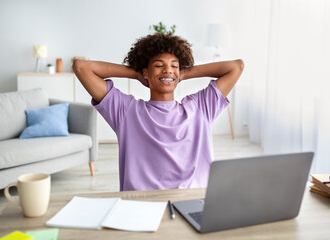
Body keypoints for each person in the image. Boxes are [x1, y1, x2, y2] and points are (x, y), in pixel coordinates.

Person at [73, 33, 244, 191]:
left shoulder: (200, 107)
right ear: (146, 72)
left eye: (174, 66)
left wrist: (182, 74)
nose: (167, 70)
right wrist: (136, 74)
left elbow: (236, 66)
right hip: (142, 203)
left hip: (192, 198)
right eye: (158, 65)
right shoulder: (126, 111)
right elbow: (81, 67)